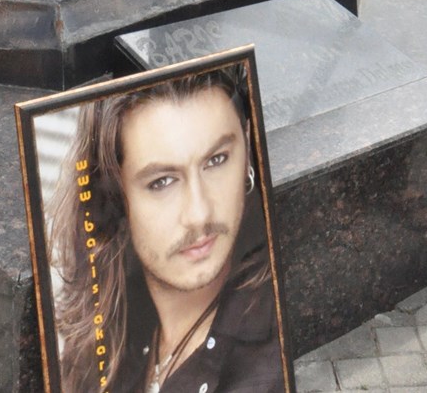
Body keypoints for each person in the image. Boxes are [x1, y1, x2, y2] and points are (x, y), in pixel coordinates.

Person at [49, 68, 285, 393]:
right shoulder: (105, 339)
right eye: (162, 182)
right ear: (114, 201)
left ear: (247, 147)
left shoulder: (269, 356)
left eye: (216, 160)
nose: (199, 213)